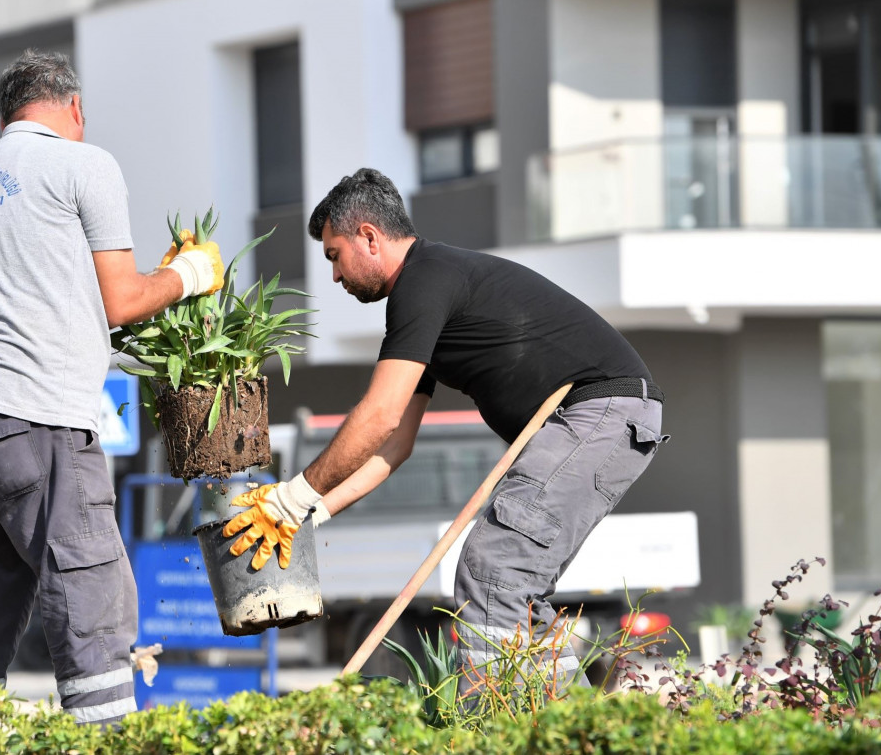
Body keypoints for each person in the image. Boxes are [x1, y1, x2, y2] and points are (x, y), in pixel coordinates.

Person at [223, 167, 667, 688]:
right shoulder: (427, 297)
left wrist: (292, 496)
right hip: (604, 416)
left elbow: (379, 414)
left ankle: (514, 734)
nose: (336, 276)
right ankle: (573, 731)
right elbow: (394, 445)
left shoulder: (424, 280)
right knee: (511, 583)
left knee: (494, 568)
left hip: (601, 410)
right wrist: (313, 514)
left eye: (333, 256)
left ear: (368, 236)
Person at [0, 49, 223, 725]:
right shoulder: (83, 163)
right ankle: (105, 739)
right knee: (90, 586)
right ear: (75, 108)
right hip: (37, 415)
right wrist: (192, 276)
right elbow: (121, 301)